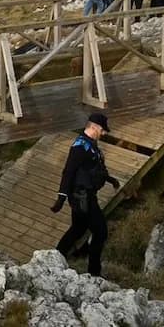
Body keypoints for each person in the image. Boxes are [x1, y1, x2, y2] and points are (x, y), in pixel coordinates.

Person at [51, 112, 119, 277]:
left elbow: (94, 168)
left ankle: (56, 256)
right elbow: (68, 171)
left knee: (78, 228)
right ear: (94, 127)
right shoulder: (80, 147)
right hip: (83, 197)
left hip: (85, 195)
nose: (103, 134)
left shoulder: (90, 144)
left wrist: (110, 179)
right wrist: (61, 197)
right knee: (100, 231)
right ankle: (94, 273)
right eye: (102, 130)